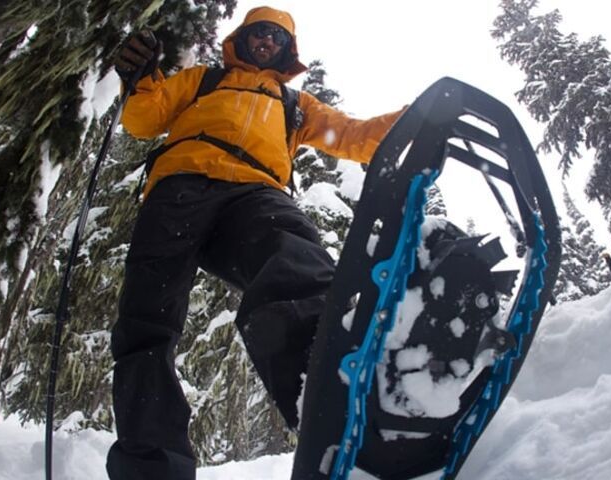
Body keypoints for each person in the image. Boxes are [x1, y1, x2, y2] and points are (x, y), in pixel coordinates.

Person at [106, 6, 403, 479]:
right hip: (180, 185)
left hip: (255, 192)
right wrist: (141, 79)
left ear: (288, 51)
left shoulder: (295, 106)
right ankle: (152, 466)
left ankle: (330, 393)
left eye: (275, 37)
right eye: (257, 33)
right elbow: (143, 120)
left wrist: (416, 119)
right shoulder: (203, 81)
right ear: (240, 40)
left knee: (296, 260)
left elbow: (355, 136)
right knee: (147, 318)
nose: (265, 41)